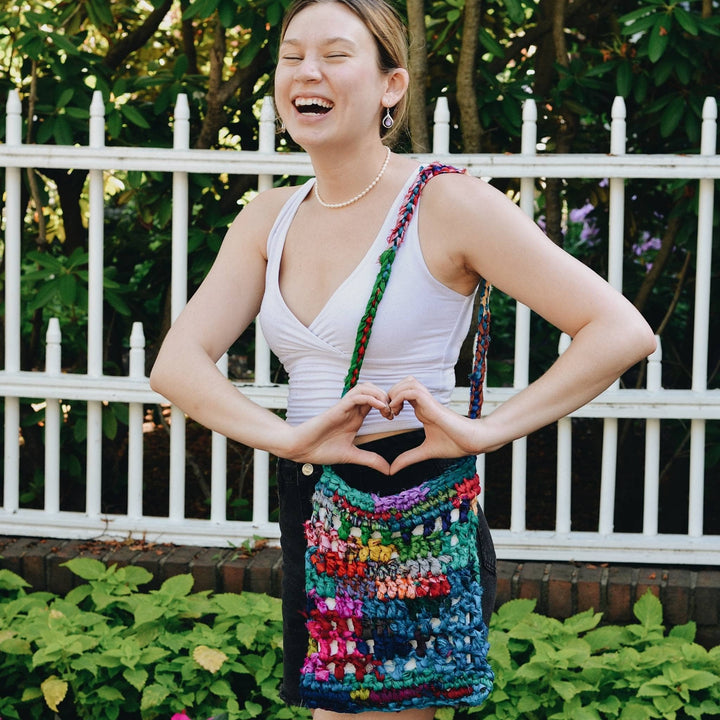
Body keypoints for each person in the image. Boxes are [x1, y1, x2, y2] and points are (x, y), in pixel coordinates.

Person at [150, 0, 657, 716]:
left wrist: (487, 430)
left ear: (392, 85)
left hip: (412, 507)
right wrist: (290, 438)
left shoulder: (445, 203)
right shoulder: (268, 217)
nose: (307, 72)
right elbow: (177, 364)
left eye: (335, 54)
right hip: (316, 504)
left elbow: (620, 330)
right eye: (292, 56)